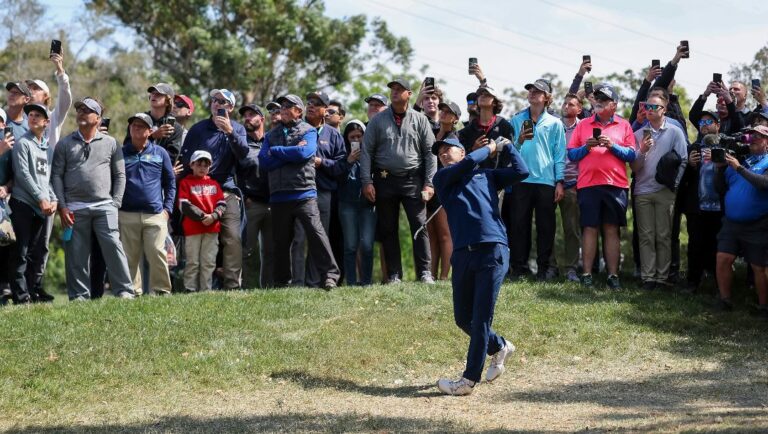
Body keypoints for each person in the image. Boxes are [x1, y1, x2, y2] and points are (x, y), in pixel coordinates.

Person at [432, 136, 529, 396]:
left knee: (481, 317)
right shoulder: (442, 179)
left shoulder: (487, 176)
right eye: (438, 152)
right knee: (464, 318)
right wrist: (488, 148)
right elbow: (467, 164)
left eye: (447, 149)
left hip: (492, 249)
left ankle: (468, 381)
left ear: (461, 151)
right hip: (463, 253)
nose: (442, 154)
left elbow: (522, 171)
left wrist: (508, 146)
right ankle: (499, 346)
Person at [51, 97, 135, 300]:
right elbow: (56, 176)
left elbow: (120, 175)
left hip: (105, 206)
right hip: (73, 208)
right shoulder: (64, 144)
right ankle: (79, 295)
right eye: (79, 109)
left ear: (98, 118)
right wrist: (62, 207)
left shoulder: (112, 143)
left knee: (114, 248)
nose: (81, 113)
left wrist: (115, 203)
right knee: (76, 255)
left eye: (87, 110)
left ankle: (124, 291)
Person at [258, 94, 340, 289]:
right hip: (279, 195)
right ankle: (282, 282)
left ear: (299, 111)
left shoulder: (309, 131)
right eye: (282, 106)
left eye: (289, 106)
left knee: (317, 234)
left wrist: (276, 151)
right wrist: (290, 154)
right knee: (281, 242)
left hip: (304, 193)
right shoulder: (270, 135)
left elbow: (305, 153)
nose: (283, 109)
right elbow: (264, 162)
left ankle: (330, 275)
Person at [360, 78, 437, 284]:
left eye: (399, 89)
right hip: (384, 180)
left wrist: (429, 183)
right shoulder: (377, 120)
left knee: (419, 225)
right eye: (393, 89)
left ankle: (424, 272)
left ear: (409, 94)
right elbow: (366, 151)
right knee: (388, 228)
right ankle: (394, 274)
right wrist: (366, 181)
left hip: (413, 180)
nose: (394, 92)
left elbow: (431, 153)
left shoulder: (420, 120)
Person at [567, 84, 637, 289]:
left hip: (616, 185)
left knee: (611, 229)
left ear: (613, 105)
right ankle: (587, 274)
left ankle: (613, 275)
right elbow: (571, 154)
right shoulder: (583, 125)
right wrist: (586, 147)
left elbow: (632, 155)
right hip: (588, 184)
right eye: (597, 99)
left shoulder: (624, 125)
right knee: (589, 228)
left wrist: (612, 146)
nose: (598, 102)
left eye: (604, 100)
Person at [179, 89, 249, 290]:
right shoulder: (198, 129)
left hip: (226, 191)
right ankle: (195, 286)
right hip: (198, 191)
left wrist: (230, 132)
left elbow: (244, 156)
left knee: (233, 237)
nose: (217, 104)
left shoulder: (237, 129)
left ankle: (232, 285)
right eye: (214, 100)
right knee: (197, 243)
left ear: (231, 107)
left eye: (223, 102)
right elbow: (185, 162)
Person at [509, 78, 567, 280]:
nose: (532, 93)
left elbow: (559, 154)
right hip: (522, 181)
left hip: (546, 181)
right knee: (519, 226)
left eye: (538, 91)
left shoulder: (555, 123)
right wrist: (519, 140)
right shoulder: (516, 120)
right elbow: (510, 152)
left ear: (547, 98)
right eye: (530, 90)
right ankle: (519, 268)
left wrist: (560, 181)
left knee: (546, 227)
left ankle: (544, 269)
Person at [290, 91, 347, 287]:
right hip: (298, 190)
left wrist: (322, 163)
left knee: (318, 238)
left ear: (325, 110)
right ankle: (296, 283)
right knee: (298, 239)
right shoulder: (296, 128)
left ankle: (313, 282)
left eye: (317, 103)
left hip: (323, 193)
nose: (311, 106)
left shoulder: (333, 135)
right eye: (309, 102)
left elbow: (342, 166)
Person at [630, 96, 687, 289]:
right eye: (647, 106)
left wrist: (675, 185)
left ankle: (662, 278)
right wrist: (642, 151)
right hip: (642, 191)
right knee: (646, 235)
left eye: (655, 106)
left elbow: (684, 160)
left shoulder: (675, 131)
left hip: (665, 191)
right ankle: (648, 277)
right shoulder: (638, 134)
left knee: (663, 236)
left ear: (664, 109)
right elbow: (635, 167)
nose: (650, 109)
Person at [713, 125, 768, 320]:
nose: (752, 139)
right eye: (751, 135)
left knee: (759, 267)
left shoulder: (763, 162)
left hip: (757, 224)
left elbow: (764, 184)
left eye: (758, 137)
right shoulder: (743, 159)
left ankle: (764, 307)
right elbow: (719, 188)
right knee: (722, 258)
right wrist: (720, 170)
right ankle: (725, 300)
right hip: (731, 223)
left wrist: (739, 168)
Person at [119, 113, 175, 296]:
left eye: (141, 126)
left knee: (156, 252)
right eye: (134, 125)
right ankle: (133, 291)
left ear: (150, 131)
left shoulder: (160, 153)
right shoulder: (120, 153)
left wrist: (167, 210)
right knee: (129, 256)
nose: (136, 128)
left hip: (155, 214)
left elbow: (170, 183)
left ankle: (161, 290)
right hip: (127, 213)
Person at [8, 103, 57, 304]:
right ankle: (20, 297)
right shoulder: (22, 143)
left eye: (39, 115)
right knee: (19, 252)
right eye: (31, 115)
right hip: (23, 204)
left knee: (32, 253)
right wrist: (41, 198)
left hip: (41, 207)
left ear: (46, 122)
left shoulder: (47, 149)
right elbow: (23, 175)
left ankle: (29, 293)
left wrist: (53, 199)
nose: (33, 117)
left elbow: (47, 180)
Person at [678, 111, 723, 292]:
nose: (704, 124)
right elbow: (684, 179)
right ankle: (692, 282)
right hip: (697, 206)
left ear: (717, 125)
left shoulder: (725, 145)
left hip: (720, 206)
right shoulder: (693, 147)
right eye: (702, 122)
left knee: (716, 246)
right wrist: (690, 164)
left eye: (709, 121)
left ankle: (716, 283)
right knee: (695, 245)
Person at [236, 103, 274, 288]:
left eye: (252, 115)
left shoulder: (272, 140)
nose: (247, 118)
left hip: (274, 203)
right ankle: (238, 288)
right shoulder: (242, 145)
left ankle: (268, 289)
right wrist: (243, 196)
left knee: (270, 251)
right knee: (245, 249)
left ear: (262, 119)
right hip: (252, 204)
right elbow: (234, 173)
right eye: (246, 115)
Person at [178, 150, 226, 292]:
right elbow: (183, 205)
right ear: (191, 165)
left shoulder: (214, 184)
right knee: (192, 261)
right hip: (193, 229)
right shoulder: (185, 183)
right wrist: (203, 217)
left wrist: (214, 216)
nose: (202, 168)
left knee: (209, 261)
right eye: (199, 164)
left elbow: (222, 203)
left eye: (206, 165)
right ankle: (190, 289)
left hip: (212, 229)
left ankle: (206, 289)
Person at [338, 120, 376, 285]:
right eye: (352, 137)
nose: (356, 141)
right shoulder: (341, 154)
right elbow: (337, 177)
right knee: (350, 246)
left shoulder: (372, 153)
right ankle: (351, 282)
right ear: (346, 138)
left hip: (368, 205)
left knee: (367, 245)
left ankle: (366, 281)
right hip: (347, 204)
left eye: (359, 136)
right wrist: (349, 161)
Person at [427, 102, 461, 281]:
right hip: (428, 188)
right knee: (431, 234)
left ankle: (444, 276)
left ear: (455, 119)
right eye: (443, 110)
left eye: (449, 112)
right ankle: (430, 274)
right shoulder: (432, 132)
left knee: (444, 233)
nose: (444, 113)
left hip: (444, 189)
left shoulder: (454, 139)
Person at [557, 93, 584, 282]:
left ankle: (571, 269)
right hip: (551, 182)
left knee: (572, 229)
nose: (567, 106)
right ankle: (549, 267)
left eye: (571, 104)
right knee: (547, 227)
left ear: (579, 109)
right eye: (565, 103)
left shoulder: (584, 127)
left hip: (574, 184)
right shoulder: (554, 125)